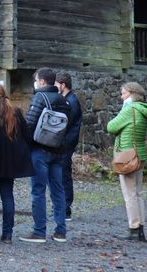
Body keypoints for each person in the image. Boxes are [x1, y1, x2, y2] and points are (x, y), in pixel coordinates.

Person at [21, 67, 71, 244]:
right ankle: (60, 232)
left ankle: (39, 232)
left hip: (40, 149)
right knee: (58, 190)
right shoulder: (63, 100)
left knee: (38, 191)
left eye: (36, 80)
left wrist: (24, 145)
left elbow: (30, 124)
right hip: (58, 150)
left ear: (42, 81)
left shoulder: (39, 97)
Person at [0, 84, 33, 245]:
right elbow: (27, 136)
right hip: (10, 160)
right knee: (7, 195)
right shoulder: (15, 111)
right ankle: (8, 235)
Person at [106, 81, 147, 241]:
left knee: (130, 195)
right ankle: (141, 229)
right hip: (139, 154)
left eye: (123, 93)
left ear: (132, 94)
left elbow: (111, 127)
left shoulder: (129, 109)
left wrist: (122, 111)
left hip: (127, 157)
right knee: (138, 194)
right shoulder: (141, 110)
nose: (121, 96)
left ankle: (134, 228)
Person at [55, 71, 82, 220]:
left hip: (66, 143)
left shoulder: (71, 101)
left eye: (56, 84)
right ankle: (62, 207)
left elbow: (66, 124)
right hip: (65, 143)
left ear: (63, 85)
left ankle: (66, 209)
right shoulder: (67, 100)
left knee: (64, 175)